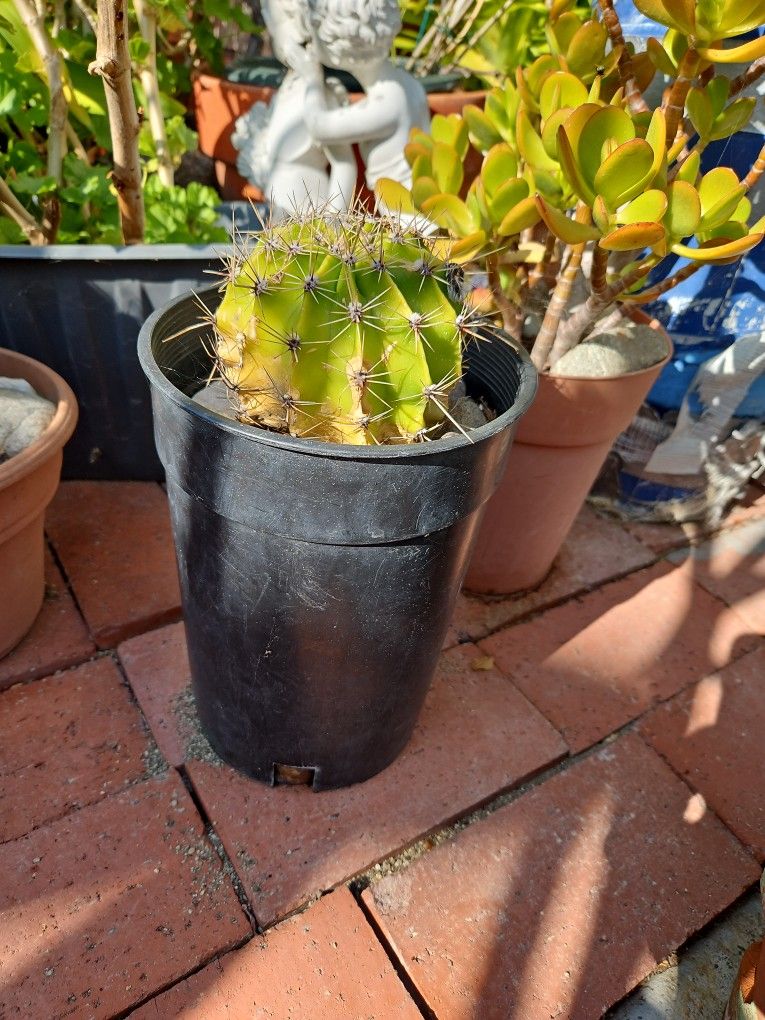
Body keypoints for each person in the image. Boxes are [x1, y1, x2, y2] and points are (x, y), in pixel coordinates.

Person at [291, 0, 431, 195]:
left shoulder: (388, 104)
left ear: (342, 45)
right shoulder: (407, 83)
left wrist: (312, 78)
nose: (309, 43)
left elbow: (318, 126)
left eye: (314, 32)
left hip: (407, 216)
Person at [232, 0, 357, 215]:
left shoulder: (320, 96)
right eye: (287, 18)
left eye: (308, 19)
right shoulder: (289, 88)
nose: (299, 31)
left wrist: (335, 223)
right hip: (279, 220)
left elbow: (345, 164)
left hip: (310, 221)